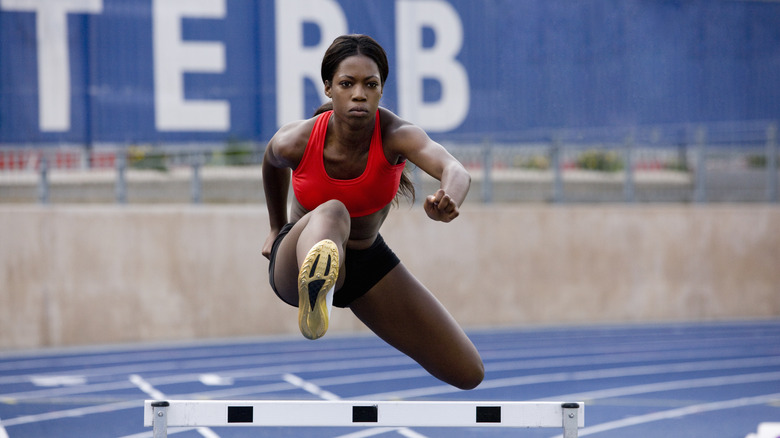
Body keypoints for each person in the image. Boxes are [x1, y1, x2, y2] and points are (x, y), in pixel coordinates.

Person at [261, 34, 484, 390]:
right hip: (298, 255)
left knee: (468, 372)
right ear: (328, 89)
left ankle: (330, 279)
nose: (359, 94)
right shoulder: (298, 140)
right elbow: (271, 162)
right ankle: (317, 286)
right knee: (334, 211)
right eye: (347, 84)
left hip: (365, 264)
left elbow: (454, 169)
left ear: (381, 91)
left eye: (370, 84)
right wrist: (275, 228)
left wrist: (450, 198)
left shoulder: (397, 135)